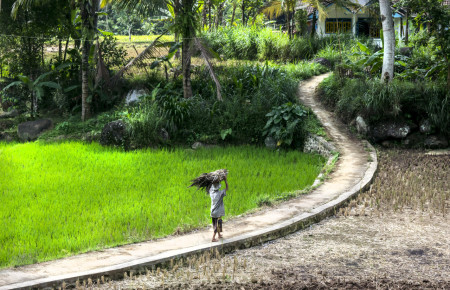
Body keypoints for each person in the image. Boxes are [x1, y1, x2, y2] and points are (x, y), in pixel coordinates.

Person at [209, 176, 228, 242]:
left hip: (213, 211)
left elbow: (210, 187)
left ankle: (219, 235)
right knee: (217, 224)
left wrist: (212, 180)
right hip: (218, 212)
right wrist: (225, 180)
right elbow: (227, 188)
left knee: (217, 223)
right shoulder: (220, 193)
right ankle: (213, 238)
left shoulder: (211, 193)